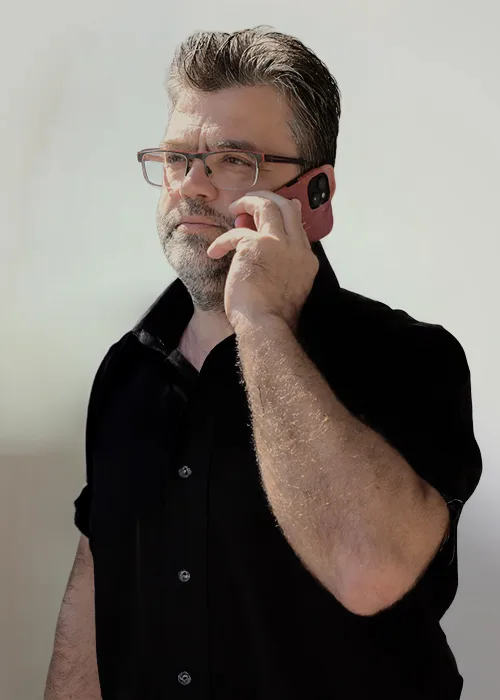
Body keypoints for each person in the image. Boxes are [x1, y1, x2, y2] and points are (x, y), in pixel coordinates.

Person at [44, 26, 482, 700]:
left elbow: (370, 573)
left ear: (315, 193)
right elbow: (95, 587)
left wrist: (261, 321)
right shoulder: (127, 371)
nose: (192, 186)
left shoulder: (410, 358)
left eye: (232, 161)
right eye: (177, 159)